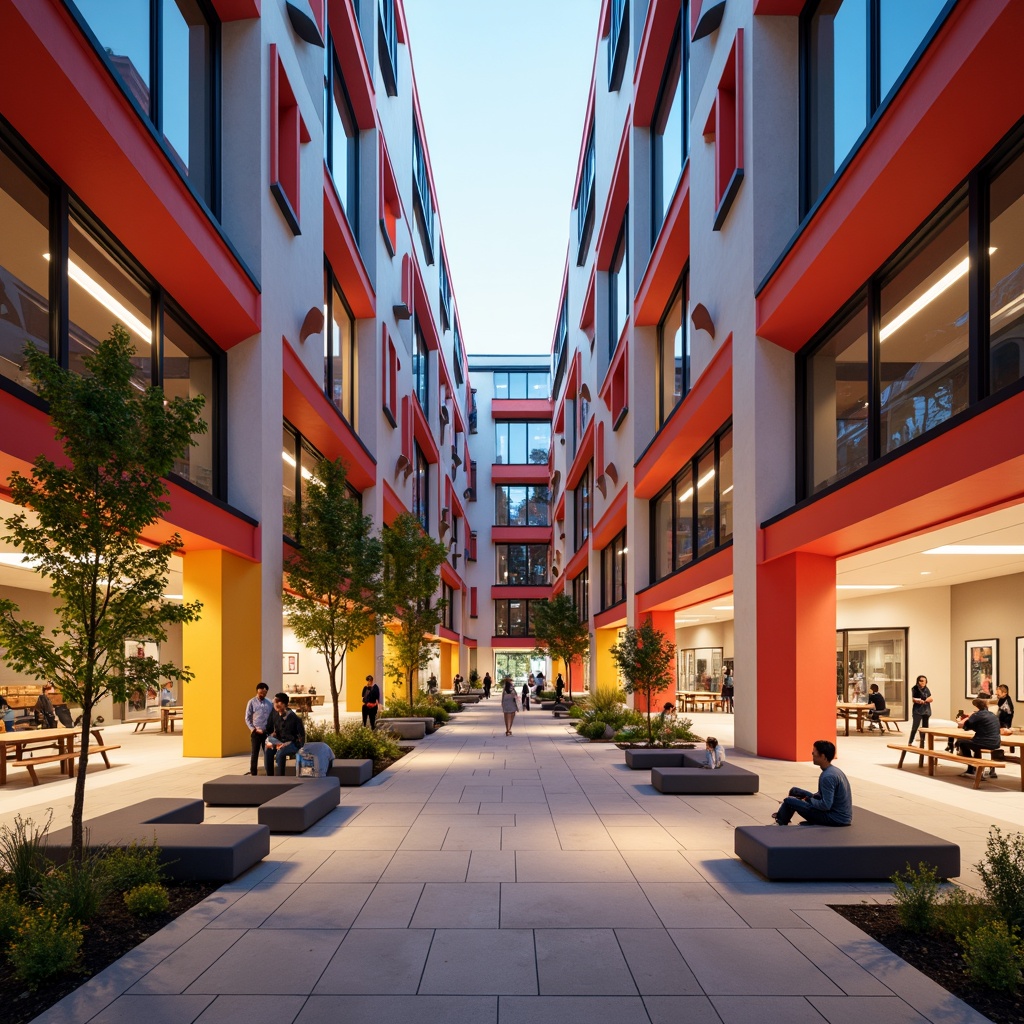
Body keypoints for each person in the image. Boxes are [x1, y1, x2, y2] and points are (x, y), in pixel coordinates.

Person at [772, 740, 853, 826]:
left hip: (834, 818)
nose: (812, 755)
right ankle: (783, 815)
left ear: (823, 756)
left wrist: (808, 800)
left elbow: (826, 805)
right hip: (839, 815)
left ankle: (780, 822)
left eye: (814, 753)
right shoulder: (834, 771)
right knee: (795, 791)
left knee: (789, 801)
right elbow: (826, 796)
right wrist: (812, 797)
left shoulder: (827, 776)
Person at [956, 697, 1002, 778]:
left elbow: (964, 726)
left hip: (983, 742)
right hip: (996, 743)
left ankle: (971, 768)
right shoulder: (993, 715)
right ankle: (979, 768)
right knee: (974, 743)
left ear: (977, 707)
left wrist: (967, 717)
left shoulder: (977, 715)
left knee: (961, 742)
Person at [264, 692, 305, 776]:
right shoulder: (274, 714)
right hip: (279, 741)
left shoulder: (293, 717)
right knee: (268, 749)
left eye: (279, 702)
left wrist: (287, 743)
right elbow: (269, 727)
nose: (276, 704)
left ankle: (280, 778)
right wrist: (272, 734)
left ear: (285, 704)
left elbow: (300, 737)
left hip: (293, 743)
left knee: (281, 752)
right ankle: (269, 777)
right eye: (275, 702)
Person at [243, 682, 272, 775]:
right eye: (261, 693)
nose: (262, 695)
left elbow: (272, 717)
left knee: (268, 753)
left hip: (266, 732)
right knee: (254, 753)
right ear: (257, 691)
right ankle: (253, 773)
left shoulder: (269, 703)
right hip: (256, 732)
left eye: (264, 693)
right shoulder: (251, 702)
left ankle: (269, 772)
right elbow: (247, 718)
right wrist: (253, 729)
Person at [908, 674, 933, 747]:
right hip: (917, 711)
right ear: (918, 681)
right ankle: (910, 741)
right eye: (921, 681)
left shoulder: (926, 689)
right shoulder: (915, 688)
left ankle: (922, 741)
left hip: (926, 710)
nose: (922, 683)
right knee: (915, 726)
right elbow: (914, 699)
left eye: (924, 681)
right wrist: (920, 701)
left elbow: (931, 698)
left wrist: (926, 700)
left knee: (925, 727)